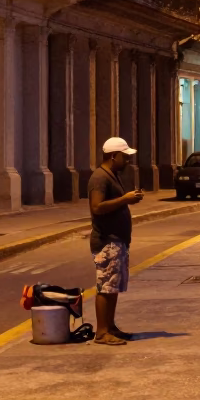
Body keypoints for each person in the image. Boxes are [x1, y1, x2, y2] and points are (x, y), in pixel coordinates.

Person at [88, 136, 143, 345]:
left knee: (113, 286)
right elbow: (96, 207)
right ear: (113, 156)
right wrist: (125, 199)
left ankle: (110, 327)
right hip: (106, 240)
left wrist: (128, 199)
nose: (127, 161)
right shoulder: (99, 178)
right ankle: (101, 332)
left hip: (117, 240)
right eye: (124, 157)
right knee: (106, 286)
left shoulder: (112, 175)